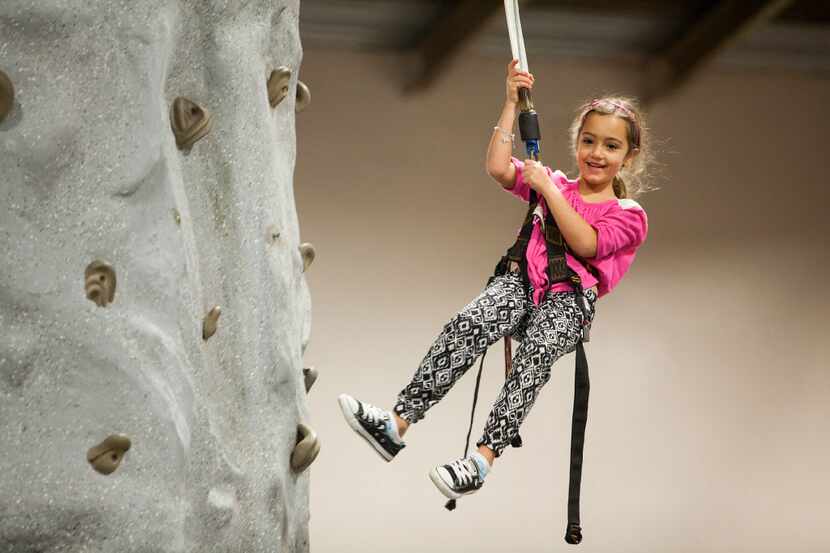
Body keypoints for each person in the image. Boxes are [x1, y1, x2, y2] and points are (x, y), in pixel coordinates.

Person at [338, 59, 652, 501]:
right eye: (589, 141)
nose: (597, 153)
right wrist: (509, 104)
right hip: (522, 284)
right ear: (576, 142)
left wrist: (547, 190)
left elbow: (586, 243)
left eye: (611, 146)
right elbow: (499, 166)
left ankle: (481, 460)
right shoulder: (553, 180)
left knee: (535, 356)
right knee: (471, 321)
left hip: (568, 303)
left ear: (628, 156)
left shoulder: (628, 215)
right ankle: (397, 423)